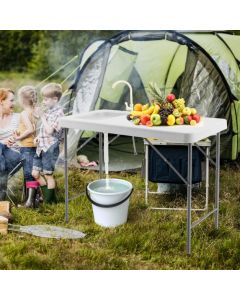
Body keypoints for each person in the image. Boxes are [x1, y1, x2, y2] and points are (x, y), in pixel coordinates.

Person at [32, 83, 64, 204]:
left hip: (50, 147)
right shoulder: (50, 111)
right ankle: (49, 199)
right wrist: (38, 138)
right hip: (41, 147)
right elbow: (43, 130)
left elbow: (50, 131)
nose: (44, 102)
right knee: (35, 173)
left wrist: (43, 117)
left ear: (55, 99)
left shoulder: (59, 114)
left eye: (46, 99)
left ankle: (49, 202)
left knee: (48, 175)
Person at [13, 86, 40, 208]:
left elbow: (30, 129)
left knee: (29, 174)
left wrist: (18, 138)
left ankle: (29, 203)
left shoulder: (24, 113)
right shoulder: (36, 111)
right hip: (36, 145)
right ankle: (36, 198)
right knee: (35, 171)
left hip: (27, 146)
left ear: (22, 100)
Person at [0, 88, 21, 201]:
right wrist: (3, 142)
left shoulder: (18, 118)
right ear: (1, 101)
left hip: (13, 152)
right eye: (11, 100)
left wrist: (17, 136)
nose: (14, 103)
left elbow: (25, 135)